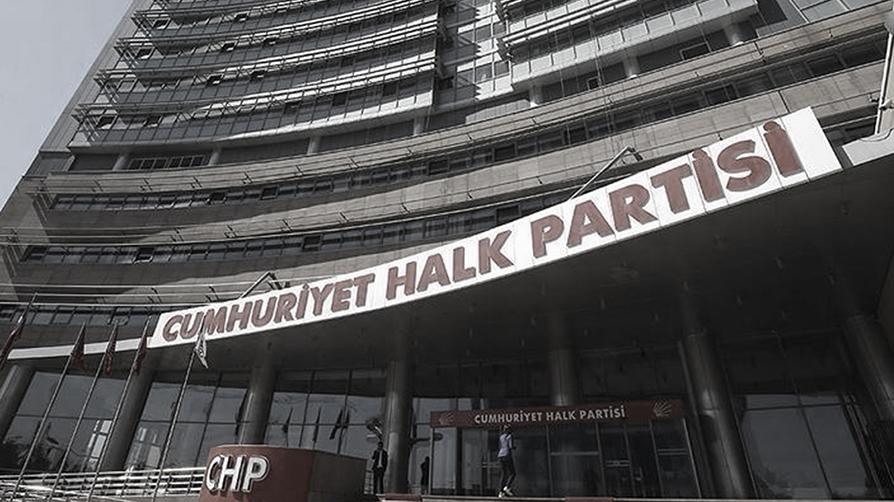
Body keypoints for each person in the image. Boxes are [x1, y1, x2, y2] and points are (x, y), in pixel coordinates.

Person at [497, 425, 516, 497]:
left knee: (504, 474)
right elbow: (510, 446)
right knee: (513, 473)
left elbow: (502, 445)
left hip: (500, 455)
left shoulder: (501, 437)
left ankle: (501, 492)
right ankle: (507, 487)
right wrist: (514, 447)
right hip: (507, 455)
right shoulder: (510, 436)